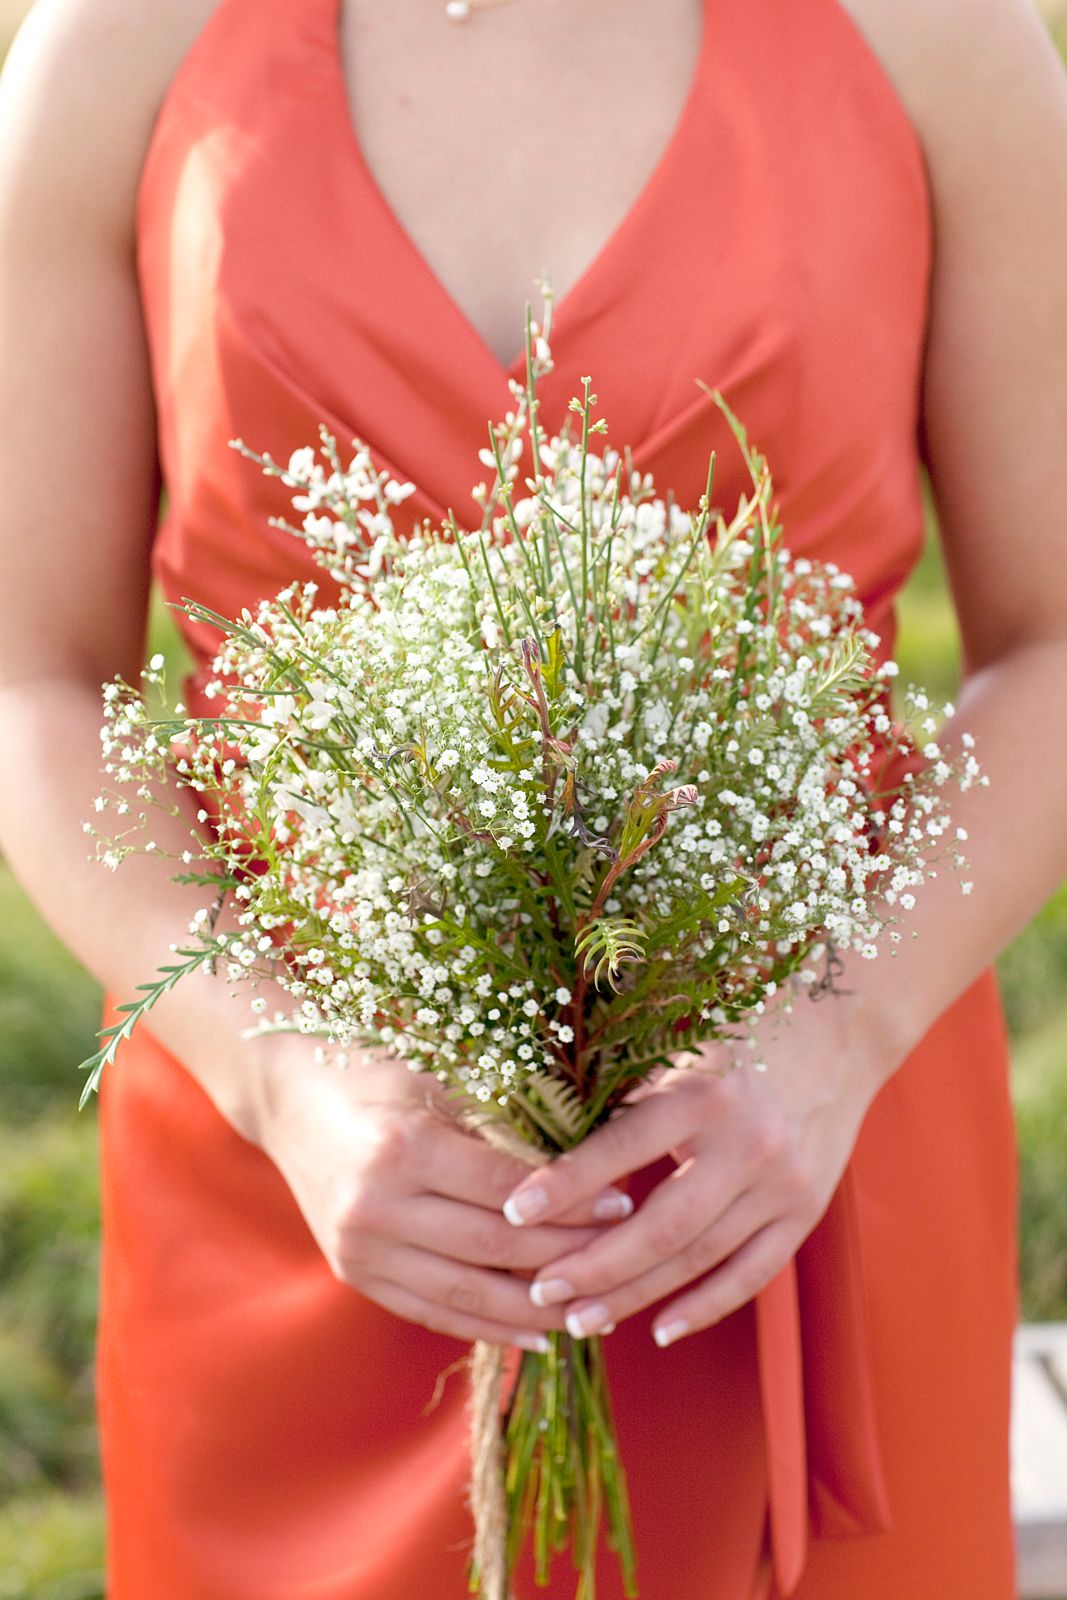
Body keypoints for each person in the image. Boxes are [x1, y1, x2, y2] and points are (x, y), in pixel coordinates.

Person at [1, 0, 1066, 1594]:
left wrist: (837, 1031)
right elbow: (35, 675)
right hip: (307, 1188)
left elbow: (1055, 641)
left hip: (793, 1168)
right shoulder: (118, 44)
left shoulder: (941, 36)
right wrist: (282, 1071)